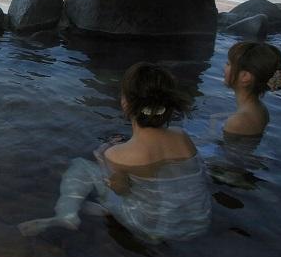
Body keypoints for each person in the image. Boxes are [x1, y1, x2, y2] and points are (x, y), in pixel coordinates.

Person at [18, 62, 211, 242]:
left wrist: (103, 156)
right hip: (198, 223)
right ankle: (101, 210)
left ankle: (66, 215)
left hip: (151, 229)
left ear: (126, 103)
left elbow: (120, 189)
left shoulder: (118, 155)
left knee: (81, 166)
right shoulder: (182, 137)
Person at [222, 41, 281, 137]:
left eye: (228, 64)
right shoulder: (259, 108)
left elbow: (226, 152)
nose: (224, 67)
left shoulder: (238, 121)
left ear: (245, 77)